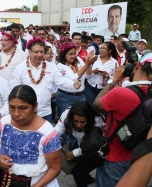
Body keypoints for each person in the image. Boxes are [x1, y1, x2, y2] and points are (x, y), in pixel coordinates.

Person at [92, 52, 152, 187]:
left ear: (137, 66)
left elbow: (97, 104)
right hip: (139, 157)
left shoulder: (121, 92)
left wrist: (113, 81)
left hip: (115, 158)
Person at [0, 85, 62, 187]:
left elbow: (55, 168)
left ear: (35, 106)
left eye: (23, 108)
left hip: (37, 182)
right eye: (12, 107)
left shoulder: (47, 133)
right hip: (5, 180)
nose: (16, 114)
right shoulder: (3, 123)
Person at [10, 38, 83, 123]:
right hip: (26, 112)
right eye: (36, 52)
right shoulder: (20, 68)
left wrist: (73, 84)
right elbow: (14, 88)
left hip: (45, 112)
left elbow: (60, 80)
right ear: (29, 52)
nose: (39, 54)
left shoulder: (51, 67)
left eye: (42, 52)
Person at [55, 101, 105, 187]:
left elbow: (94, 146)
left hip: (96, 150)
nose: (78, 125)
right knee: (74, 168)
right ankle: (88, 179)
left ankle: (85, 180)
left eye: (82, 122)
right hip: (81, 142)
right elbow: (57, 130)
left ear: (89, 119)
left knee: (78, 175)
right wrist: (46, 140)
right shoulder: (66, 114)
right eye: (75, 121)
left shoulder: (97, 121)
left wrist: (75, 153)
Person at [56, 43, 97, 117]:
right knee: (65, 120)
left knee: (80, 119)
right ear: (64, 54)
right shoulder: (60, 65)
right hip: (65, 97)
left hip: (81, 96)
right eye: (70, 54)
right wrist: (87, 64)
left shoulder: (78, 60)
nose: (73, 56)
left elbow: (89, 76)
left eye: (74, 53)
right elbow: (74, 78)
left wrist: (88, 64)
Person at [85, 42, 118, 106]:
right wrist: (93, 71)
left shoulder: (114, 62)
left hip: (104, 89)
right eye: (100, 48)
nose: (101, 50)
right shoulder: (94, 58)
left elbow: (115, 77)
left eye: (103, 48)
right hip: (91, 86)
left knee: (100, 107)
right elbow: (87, 75)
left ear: (109, 51)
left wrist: (108, 76)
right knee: (90, 107)